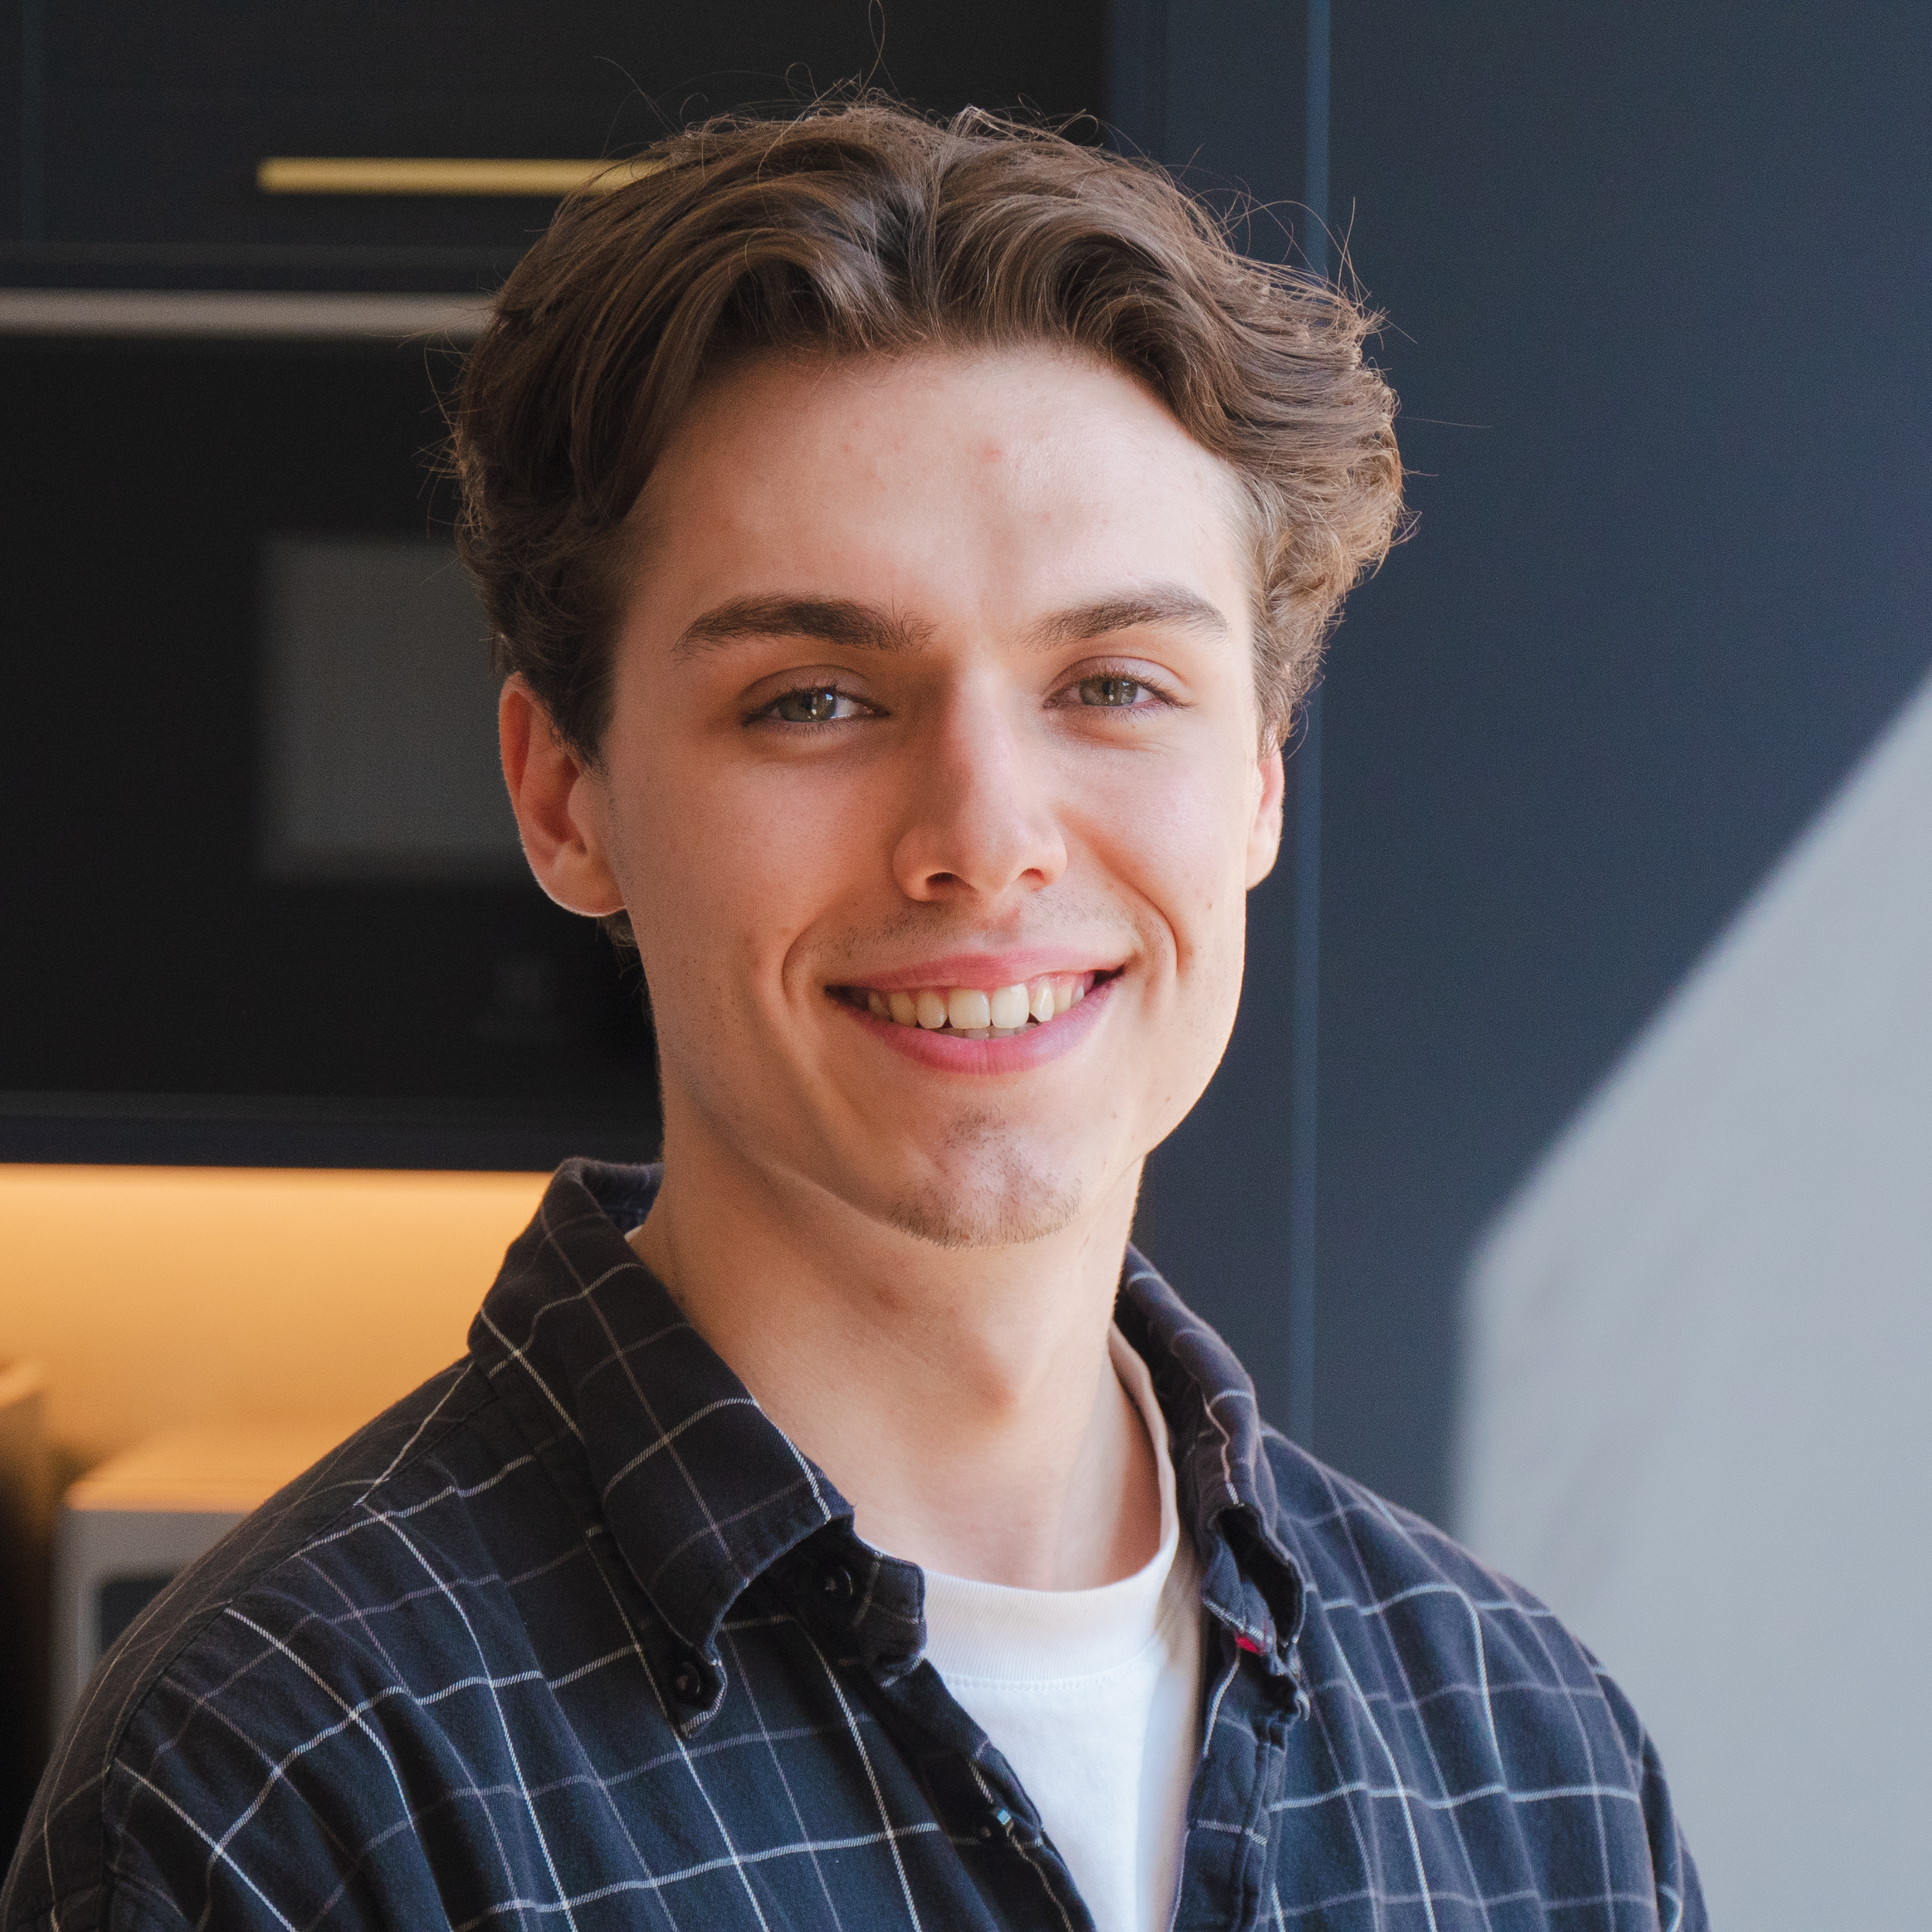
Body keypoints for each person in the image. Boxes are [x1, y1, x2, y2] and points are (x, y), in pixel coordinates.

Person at [5, 101, 1705, 1932]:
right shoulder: (286, 1787)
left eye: (1113, 683)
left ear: (1262, 782)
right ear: (565, 789)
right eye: (813, 698)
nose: (982, 841)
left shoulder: (1527, 1752)